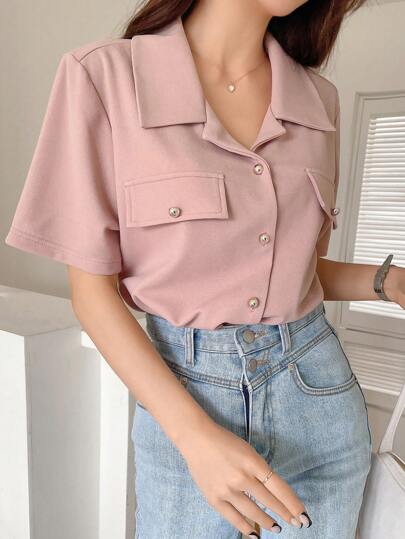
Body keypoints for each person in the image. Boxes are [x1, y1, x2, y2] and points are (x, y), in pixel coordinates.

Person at [5, 1, 404, 537]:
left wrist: (387, 282)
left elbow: (297, 275)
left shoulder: (318, 100)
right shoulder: (103, 76)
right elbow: (92, 293)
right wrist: (193, 436)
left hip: (319, 397)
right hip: (187, 397)